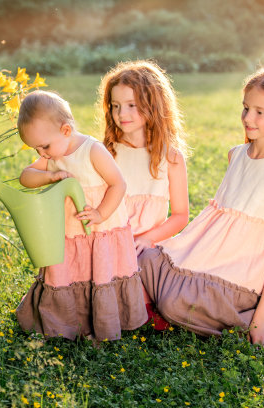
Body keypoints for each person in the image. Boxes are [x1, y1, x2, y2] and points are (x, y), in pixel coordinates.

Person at [138, 65, 264, 345]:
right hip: (212, 259)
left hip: (244, 275)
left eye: (260, 112)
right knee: (145, 260)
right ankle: (162, 303)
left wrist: (259, 321)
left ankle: (254, 311)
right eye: (246, 108)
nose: (248, 117)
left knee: (175, 302)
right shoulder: (237, 155)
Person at [15, 90, 147, 341]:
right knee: (69, 272)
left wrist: (100, 212)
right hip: (69, 232)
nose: (41, 154)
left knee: (99, 271)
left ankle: (105, 322)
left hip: (99, 229)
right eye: (36, 149)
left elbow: (118, 184)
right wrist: (50, 175)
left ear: (65, 130)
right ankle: (67, 323)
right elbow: (25, 177)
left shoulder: (92, 150)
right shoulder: (52, 156)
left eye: (44, 146)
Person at [99, 60, 190, 330]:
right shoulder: (107, 153)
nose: (121, 113)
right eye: (115, 106)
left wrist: (147, 238)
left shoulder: (170, 156)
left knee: (146, 266)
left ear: (153, 105)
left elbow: (181, 216)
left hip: (150, 245)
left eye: (131, 105)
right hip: (112, 237)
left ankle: (146, 306)